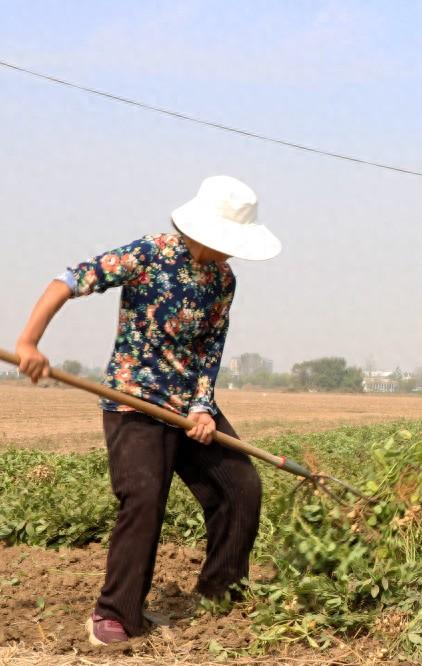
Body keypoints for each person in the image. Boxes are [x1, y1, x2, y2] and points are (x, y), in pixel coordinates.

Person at [15, 175, 281, 646]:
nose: (227, 253)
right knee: (143, 497)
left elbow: (209, 347)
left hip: (188, 408)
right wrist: (28, 342)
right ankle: (114, 615)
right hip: (133, 403)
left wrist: (202, 408)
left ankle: (220, 592)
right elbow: (70, 279)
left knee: (240, 487)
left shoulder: (223, 280)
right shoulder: (148, 254)